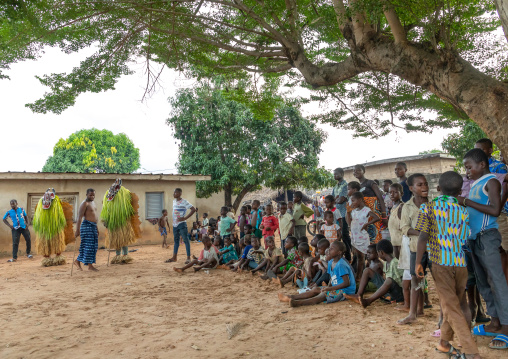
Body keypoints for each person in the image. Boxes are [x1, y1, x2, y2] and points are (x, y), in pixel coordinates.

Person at [415, 170, 481, 358]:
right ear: (460, 191)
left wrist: (418, 262)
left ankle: (470, 352)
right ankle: (444, 343)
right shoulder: (463, 210)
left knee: (451, 307)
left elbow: (422, 237)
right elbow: (465, 237)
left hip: (440, 264)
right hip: (460, 264)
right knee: (456, 304)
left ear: (438, 188)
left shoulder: (428, 208)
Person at [460, 149, 508, 350]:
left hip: (487, 236)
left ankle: (506, 327)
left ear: (482, 164)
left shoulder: (491, 182)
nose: (467, 171)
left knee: (497, 280)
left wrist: (467, 202)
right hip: (475, 239)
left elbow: (496, 210)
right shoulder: (474, 185)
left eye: (469, 167)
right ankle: (494, 321)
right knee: (483, 282)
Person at [277, 241, 355, 307]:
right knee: (316, 289)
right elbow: (332, 277)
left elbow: (346, 283)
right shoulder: (331, 262)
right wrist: (328, 286)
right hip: (336, 288)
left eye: (332, 248)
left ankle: (298, 303)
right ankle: (291, 297)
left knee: (323, 294)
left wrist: (329, 289)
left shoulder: (341, 264)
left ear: (339, 253)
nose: (329, 250)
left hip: (346, 291)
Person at [398, 173, 429, 325]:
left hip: (435, 249)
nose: (424, 187)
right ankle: (413, 314)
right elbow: (404, 228)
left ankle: (425, 310)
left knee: (439, 278)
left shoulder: (433, 203)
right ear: (411, 188)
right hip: (416, 248)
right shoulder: (407, 207)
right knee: (416, 278)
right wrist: (422, 234)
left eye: (425, 184)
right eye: (420, 185)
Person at [347, 240, 404, 308]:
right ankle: (358, 295)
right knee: (367, 270)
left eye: (378, 253)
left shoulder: (395, 263)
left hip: (398, 293)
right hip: (390, 290)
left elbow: (402, 282)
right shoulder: (386, 263)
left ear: (381, 253)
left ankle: (368, 301)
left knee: (389, 280)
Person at [100, 179, 141, 264]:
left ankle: (124, 255)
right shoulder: (111, 194)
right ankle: (119, 255)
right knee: (118, 240)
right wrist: (106, 220)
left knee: (123, 239)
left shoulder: (123, 192)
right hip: (115, 222)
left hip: (122, 221)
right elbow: (105, 207)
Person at [32, 188, 74, 266]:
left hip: (49, 227)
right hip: (48, 227)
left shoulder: (49, 201)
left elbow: (59, 213)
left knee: (53, 242)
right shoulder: (53, 201)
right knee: (50, 242)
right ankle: (52, 258)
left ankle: (51, 258)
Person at [347, 191, 380, 281]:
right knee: (357, 256)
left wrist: (367, 224)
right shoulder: (353, 211)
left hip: (362, 237)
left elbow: (377, 218)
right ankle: (361, 275)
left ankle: (362, 276)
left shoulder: (366, 210)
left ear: (360, 200)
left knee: (363, 257)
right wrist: (348, 213)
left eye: (353, 201)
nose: (352, 203)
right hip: (354, 237)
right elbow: (349, 223)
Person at [353, 164, 388, 242]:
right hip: (366, 216)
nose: (355, 172)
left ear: (364, 171)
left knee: (376, 237)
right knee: (368, 238)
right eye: (354, 171)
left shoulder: (370, 183)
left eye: (358, 170)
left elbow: (380, 199)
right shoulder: (358, 187)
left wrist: (384, 216)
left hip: (375, 215)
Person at [165, 188, 196, 263]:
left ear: (179, 193)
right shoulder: (174, 201)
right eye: (174, 193)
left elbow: (193, 209)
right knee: (176, 241)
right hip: (175, 224)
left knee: (185, 240)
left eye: (175, 193)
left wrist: (185, 218)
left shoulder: (184, 202)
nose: (174, 194)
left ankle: (188, 258)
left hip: (182, 224)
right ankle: (174, 257)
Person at [74, 189, 99, 271]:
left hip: (93, 226)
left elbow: (94, 217)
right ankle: (89, 265)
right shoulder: (84, 204)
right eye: (90, 195)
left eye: (93, 195)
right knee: (88, 246)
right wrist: (77, 230)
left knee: (93, 247)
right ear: (86, 194)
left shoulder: (93, 203)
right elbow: (79, 217)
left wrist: (97, 228)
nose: (92, 196)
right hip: (86, 227)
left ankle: (78, 261)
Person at [332, 168, 351, 257]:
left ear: (342, 174)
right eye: (334, 174)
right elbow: (332, 199)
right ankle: (341, 254)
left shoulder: (345, 185)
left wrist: (336, 199)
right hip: (336, 214)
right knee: (337, 234)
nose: (335, 175)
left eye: (337, 174)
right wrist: (336, 199)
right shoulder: (335, 187)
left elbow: (341, 199)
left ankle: (348, 255)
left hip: (343, 214)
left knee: (344, 235)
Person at [388, 183, 404, 259]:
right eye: (390, 192)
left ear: (402, 193)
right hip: (394, 241)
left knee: (403, 263)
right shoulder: (393, 208)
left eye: (395, 192)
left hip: (402, 242)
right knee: (398, 263)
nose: (392, 194)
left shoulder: (401, 207)